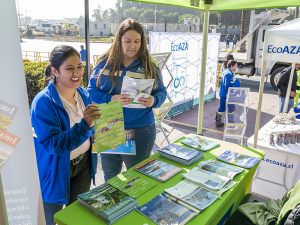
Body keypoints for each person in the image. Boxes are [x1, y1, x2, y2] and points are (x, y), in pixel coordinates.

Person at [88, 18, 167, 181]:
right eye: (128, 41)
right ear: (119, 40)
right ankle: (115, 207)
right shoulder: (104, 63)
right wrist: (111, 98)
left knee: (137, 177)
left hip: (140, 130)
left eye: (137, 41)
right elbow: (91, 90)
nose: (133, 46)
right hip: (108, 127)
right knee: (110, 176)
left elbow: (162, 92)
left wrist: (153, 100)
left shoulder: (149, 65)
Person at [30, 45, 101, 225]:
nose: (77, 72)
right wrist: (85, 124)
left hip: (84, 164)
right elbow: (54, 144)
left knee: (76, 216)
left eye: (80, 66)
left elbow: (92, 128)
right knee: (51, 218)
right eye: (69, 68)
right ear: (55, 71)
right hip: (55, 170)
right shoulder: (44, 102)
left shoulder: (83, 94)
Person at [216, 60, 240, 127]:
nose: (236, 67)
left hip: (224, 93)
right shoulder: (228, 74)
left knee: (222, 107)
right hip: (227, 94)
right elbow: (227, 85)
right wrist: (236, 84)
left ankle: (218, 121)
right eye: (235, 65)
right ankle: (230, 122)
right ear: (232, 66)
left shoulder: (228, 72)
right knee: (231, 107)